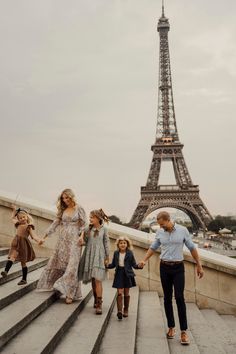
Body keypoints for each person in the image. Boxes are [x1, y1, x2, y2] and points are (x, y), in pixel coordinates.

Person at [139, 211, 204, 346]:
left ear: (169, 220)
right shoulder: (160, 232)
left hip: (178, 268)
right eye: (159, 225)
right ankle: (171, 327)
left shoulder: (183, 230)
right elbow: (153, 247)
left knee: (179, 297)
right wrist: (144, 260)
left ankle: (184, 331)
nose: (161, 227)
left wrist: (199, 265)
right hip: (164, 267)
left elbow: (192, 248)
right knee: (167, 298)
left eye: (162, 224)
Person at [37, 189, 87, 304]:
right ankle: (59, 287)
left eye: (67, 198)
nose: (65, 200)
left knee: (72, 266)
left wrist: (81, 237)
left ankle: (70, 293)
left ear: (72, 197)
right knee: (60, 263)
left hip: (75, 241)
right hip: (63, 240)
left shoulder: (79, 208)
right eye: (63, 198)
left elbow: (84, 224)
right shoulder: (63, 209)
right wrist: (44, 237)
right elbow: (55, 223)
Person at [78, 209, 110, 315]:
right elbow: (83, 237)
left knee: (98, 279)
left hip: (99, 256)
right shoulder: (88, 228)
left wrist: (107, 257)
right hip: (89, 254)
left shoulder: (104, 229)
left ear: (98, 218)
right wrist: (82, 237)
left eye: (92, 217)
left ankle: (99, 304)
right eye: (90, 217)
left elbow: (106, 242)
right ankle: (96, 299)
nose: (90, 219)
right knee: (93, 279)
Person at [1, 205, 42, 285]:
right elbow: (13, 218)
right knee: (12, 257)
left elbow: (33, 236)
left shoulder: (28, 227)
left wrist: (38, 240)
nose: (22, 219)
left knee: (23, 262)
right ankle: (6, 271)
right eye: (20, 218)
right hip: (16, 243)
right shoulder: (18, 224)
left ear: (27, 217)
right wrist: (14, 210)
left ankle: (24, 279)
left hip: (23, 245)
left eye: (24, 217)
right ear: (19, 219)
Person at [106, 236, 142, 320]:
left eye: (124, 243)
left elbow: (134, 265)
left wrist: (139, 266)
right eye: (121, 243)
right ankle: (119, 311)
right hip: (119, 274)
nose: (123, 244)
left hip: (127, 275)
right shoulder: (116, 253)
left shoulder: (130, 253)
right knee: (119, 293)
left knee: (126, 293)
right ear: (118, 245)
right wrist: (107, 265)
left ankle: (126, 309)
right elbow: (113, 264)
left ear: (127, 244)